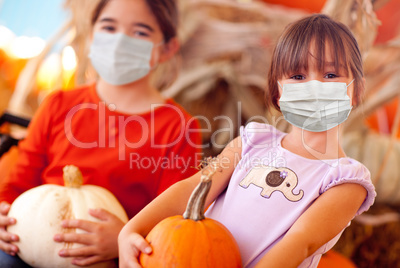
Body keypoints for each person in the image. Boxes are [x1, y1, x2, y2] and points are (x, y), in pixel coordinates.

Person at [118, 14, 376, 268]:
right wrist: (131, 229)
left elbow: (300, 243)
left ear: (357, 90)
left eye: (331, 75)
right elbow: (195, 187)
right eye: (298, 76)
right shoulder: (253, 142)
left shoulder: (345, 180)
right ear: (278, 91)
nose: (314, 86)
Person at [0, 0, 202, 266]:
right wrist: (3, 212)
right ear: (92, 34)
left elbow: (173, 220)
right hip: (29, 249)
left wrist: (123, 236)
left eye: (140, 32)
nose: (120, 41)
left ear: (167, 49)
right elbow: (16, 184)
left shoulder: (179, 128)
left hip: (113, 258)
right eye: (109, 27)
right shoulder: (58, 104)